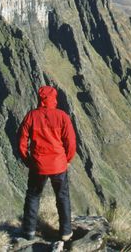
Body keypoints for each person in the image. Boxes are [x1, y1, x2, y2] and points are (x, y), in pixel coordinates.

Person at [17, 85, 77, 242]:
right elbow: (71, 142)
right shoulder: (62, 116)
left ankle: (28, 231)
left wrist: (28, 160)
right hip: (58, 164)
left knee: (33, 196)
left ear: (39, 99)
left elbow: (21, 142)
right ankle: (65, 232)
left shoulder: (31, 116)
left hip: (38, 165)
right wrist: (67, 160)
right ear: (54, 98)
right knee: (62, 196)